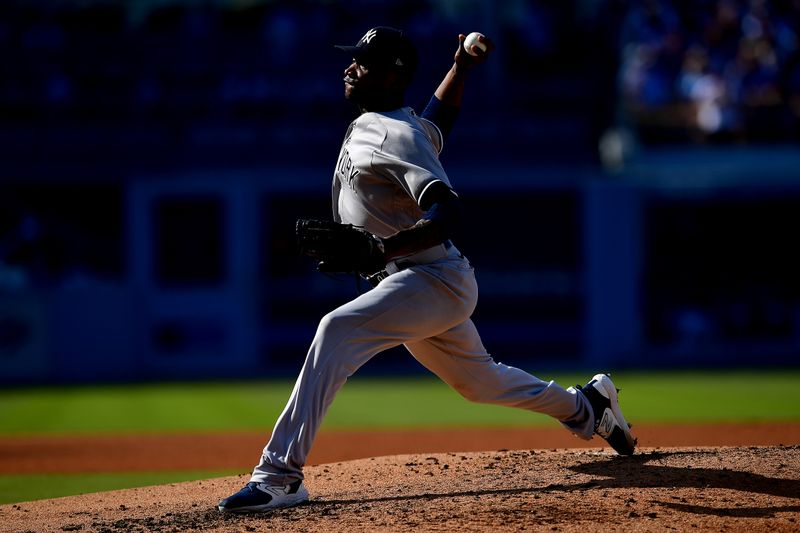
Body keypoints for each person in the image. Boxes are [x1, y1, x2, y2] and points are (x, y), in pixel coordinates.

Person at [218, 27, 636, 513]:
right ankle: (588, 406)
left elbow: (448, 212)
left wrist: (380, 249)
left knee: (336, 329)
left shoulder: (392, 130)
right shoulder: (394, 124)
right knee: (480, 383)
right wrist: (460, 68)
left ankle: (279, 476)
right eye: (353, 59)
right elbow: (437, 126)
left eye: (364, 62)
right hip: (415, 283)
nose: (350, 67)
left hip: (430, 279)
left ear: (393, 75)